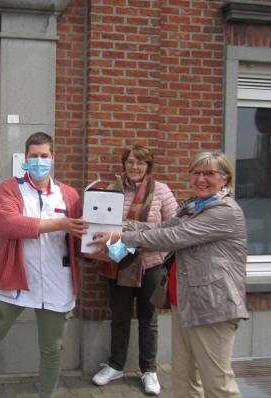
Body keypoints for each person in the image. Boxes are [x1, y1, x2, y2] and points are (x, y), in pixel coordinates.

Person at [90, 151, 249, 398]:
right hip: (185, 303)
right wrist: (112, 226)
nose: (200, 179)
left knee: (217, 385)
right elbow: (161, 227)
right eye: (196, 173)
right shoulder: (194, 206)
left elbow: (172, 237)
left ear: (225, 179)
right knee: (184, 380)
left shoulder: (224, 211)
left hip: (213, 306)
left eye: (209, 173)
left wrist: (122, 237)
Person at [0, 132, 87, 398]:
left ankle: (46, 395)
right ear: (25, 158)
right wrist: (59, 224)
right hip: (15, 279)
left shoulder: (70, 195)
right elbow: (9, 224)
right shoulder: (10, 187)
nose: (39, 161)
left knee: (52, 347)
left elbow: (81, 238)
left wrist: (108, 242)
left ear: (53, 158)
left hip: (56, 281)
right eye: (33, 156)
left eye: (44, 156)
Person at [90, 145, 177, 395]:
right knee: (119, 317)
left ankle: (149, 370)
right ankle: (116, 365)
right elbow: (102, 223)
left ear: (149, 166)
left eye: (140, 162)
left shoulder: (161, 191)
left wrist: (130, 230)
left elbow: (174, 228)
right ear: (124, 164)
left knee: (149, 319)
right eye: (130, 162)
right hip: (119, 263)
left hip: (151, 265)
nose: (135, 167)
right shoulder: (113, 190)